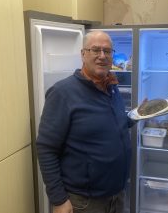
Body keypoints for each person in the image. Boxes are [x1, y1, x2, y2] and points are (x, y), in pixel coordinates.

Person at [36, 31, 135, 213]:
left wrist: (135, 116)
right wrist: (58, 199)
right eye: (95, 50)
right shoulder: (63, 93)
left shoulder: (110, 85)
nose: (102, 56)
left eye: (107, 51)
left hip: (117, 193)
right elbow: (46, 148)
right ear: (83, 54)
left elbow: (108, 123)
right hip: (84, 202)